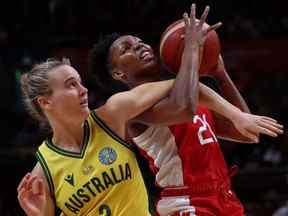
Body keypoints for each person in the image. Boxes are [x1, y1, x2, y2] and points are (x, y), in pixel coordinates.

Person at [17, 5, 221, 215]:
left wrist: (196, 59)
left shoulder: (112, 117)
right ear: (46, 102)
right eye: (71, 85)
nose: (84, 90)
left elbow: (182, 100)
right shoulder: (44, 172)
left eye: (80, 82)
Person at [88, 4, 283, 216]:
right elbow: (183, 109)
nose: (139, 46)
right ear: (118, 74)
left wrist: (219, 74)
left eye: (140, 41)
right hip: (186, 202)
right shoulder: (132, 108)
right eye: (126, 48)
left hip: (224, 197)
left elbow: (247, 131)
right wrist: (192, 49)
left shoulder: (187, 91)